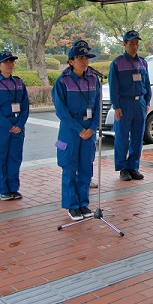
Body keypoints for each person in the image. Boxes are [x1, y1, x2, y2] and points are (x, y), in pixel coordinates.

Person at [53, 39, 101, 221]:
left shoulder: (93, 79)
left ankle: (83, 203)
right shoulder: (63, 82)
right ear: (71, 61)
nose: (84, 61)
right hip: (71, 131)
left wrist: (92, 127)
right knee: (69, 168)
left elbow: (97, 106)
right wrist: (79, 128)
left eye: (86, 58)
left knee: (86, 168)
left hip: (89, 130)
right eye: (79, 58)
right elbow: (61, 110)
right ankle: (72, 205)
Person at [0, 50, 29, 201]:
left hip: (17, 127)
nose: (10, 65)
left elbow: (25, 105)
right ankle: (2, 189)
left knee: (15, 158)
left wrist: (20, 124)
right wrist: (9, 125)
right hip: (0, 128)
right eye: (6, 62)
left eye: (12, 62)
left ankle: (13, 188)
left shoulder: (18, 82)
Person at [108, 30, 151, 181]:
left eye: (136, 43)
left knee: (138, 137)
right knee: (122, 137)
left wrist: (147, 101)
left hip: (140, 103)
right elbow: (113, 86)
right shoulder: (117, 63)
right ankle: (123, 168)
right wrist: (116, 105)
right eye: (131, 43)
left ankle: (133, 167)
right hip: (124, 104)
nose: (134, 46)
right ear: (124, 44)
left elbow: (146, 84)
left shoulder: (143, 63)